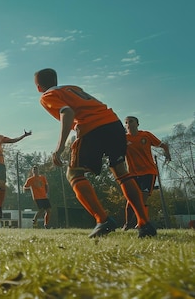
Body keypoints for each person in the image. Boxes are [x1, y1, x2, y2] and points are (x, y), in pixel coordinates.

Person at [34, 68, 156, 238]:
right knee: (120, 171)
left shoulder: (46, 96)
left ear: (38, 87)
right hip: (113, 123)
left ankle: (103, 220)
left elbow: (67, 112)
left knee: (74, 174)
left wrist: (60, 147)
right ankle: (144, 223)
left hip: (91, 128)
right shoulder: (73, 88)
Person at [122, 116, 171, 230]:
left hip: (148, 172)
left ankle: (142, 223)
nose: (128, 124)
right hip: (133, 174)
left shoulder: (146, 135)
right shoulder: (123, 139)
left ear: (137, 124)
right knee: (130, 200)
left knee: (141, 200)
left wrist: (167, 153)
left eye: (131, 121)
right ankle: (127, 224)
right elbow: (114, 150)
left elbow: (163, 145)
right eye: (126, 123)